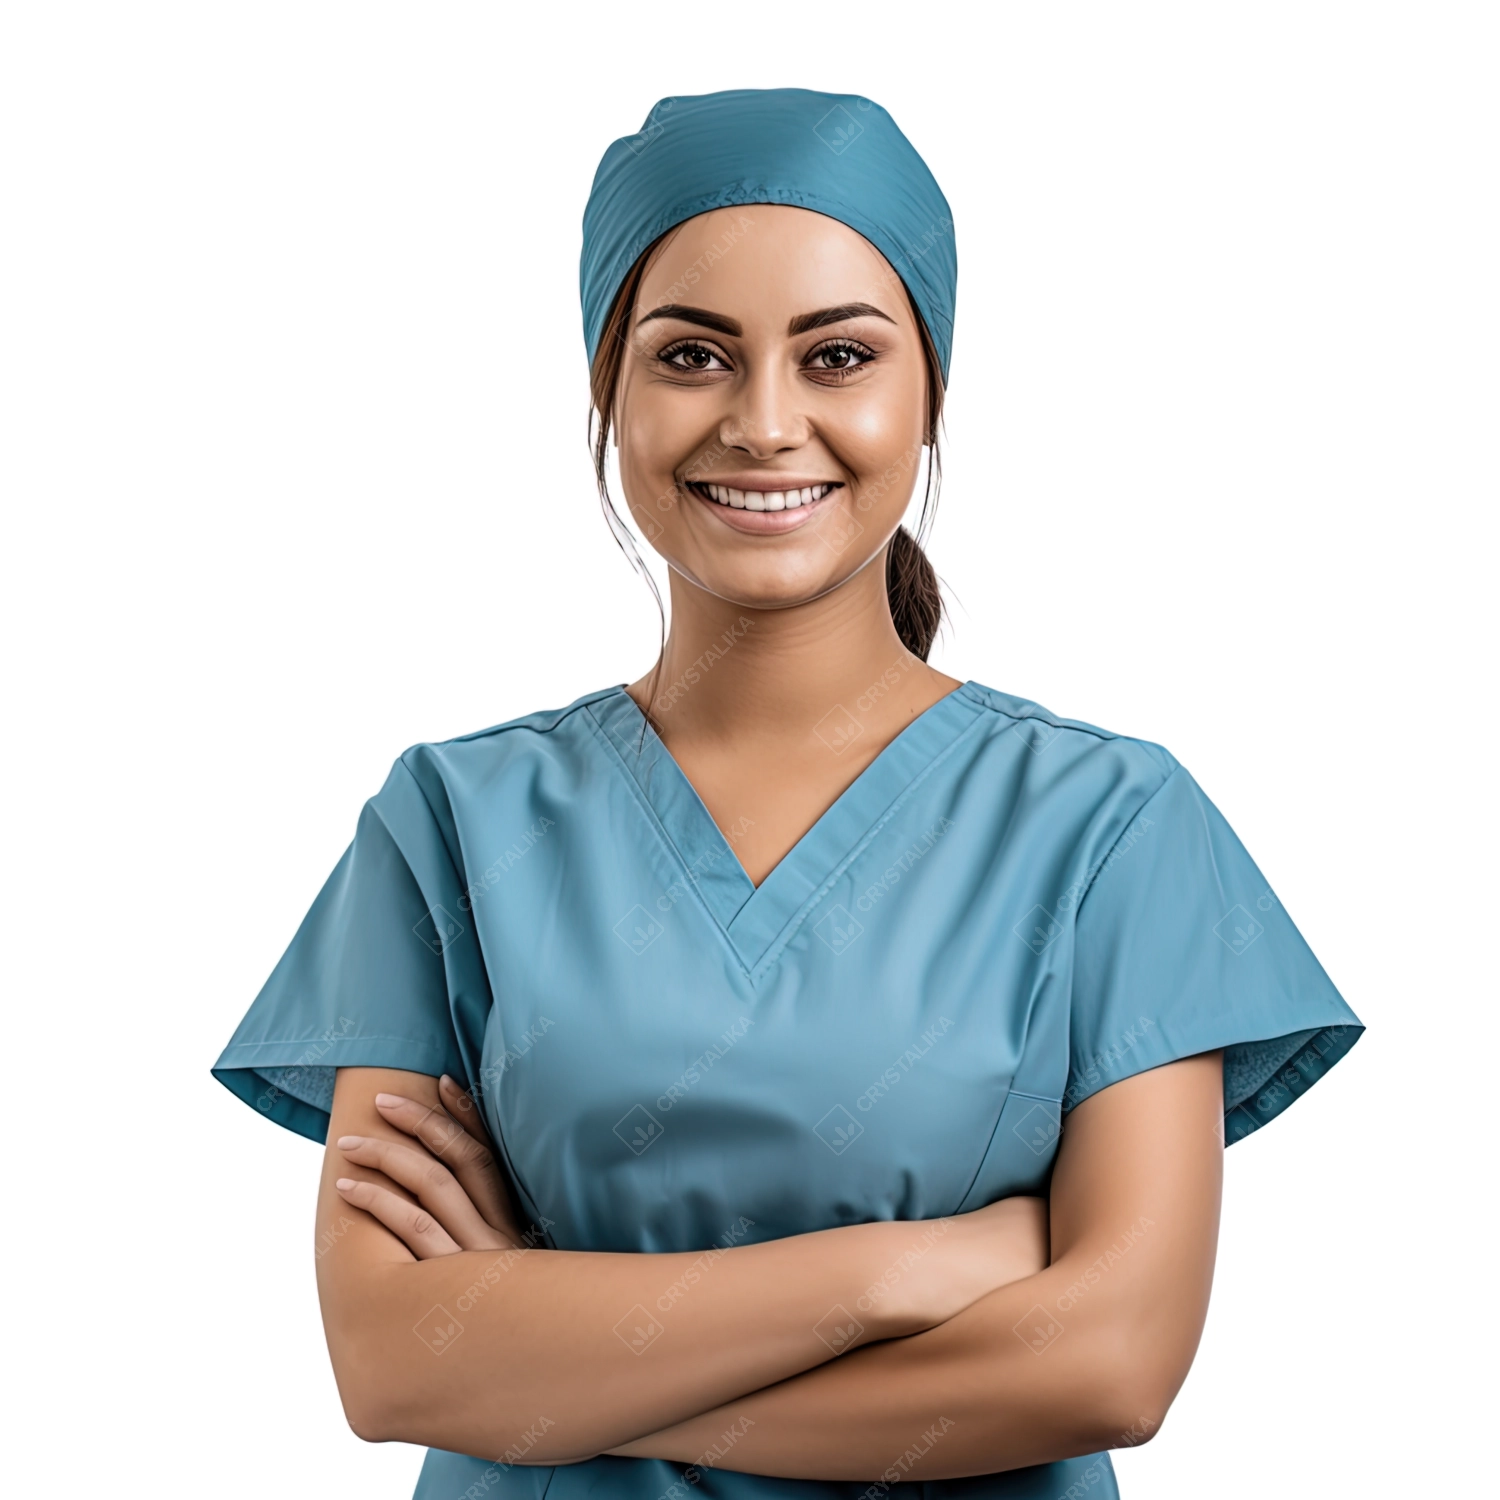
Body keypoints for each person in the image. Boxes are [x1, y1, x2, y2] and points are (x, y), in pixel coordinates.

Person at [214, 88, 1363, 1499]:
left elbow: (1108, 1365)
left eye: (838, 357)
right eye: (692, 354)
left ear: (930, 389)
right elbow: (393, 1365)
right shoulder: (453, 826)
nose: (765, 423)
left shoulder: (1109, 827)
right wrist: (908, 1270)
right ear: (607, 391)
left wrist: (556, 1375)